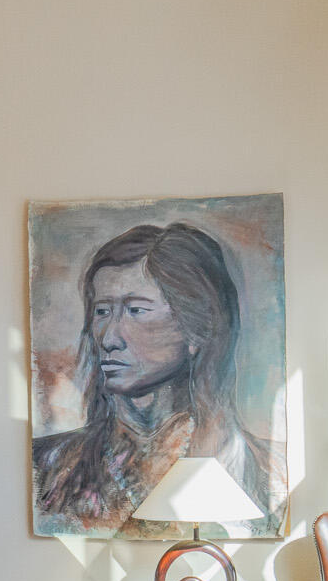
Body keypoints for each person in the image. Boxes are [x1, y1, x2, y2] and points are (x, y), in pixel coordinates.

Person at [33, 220, 280, 534]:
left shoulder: (262, 469)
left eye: (136, 310)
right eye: (102, 311)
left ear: (197, 328)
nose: (109, 339)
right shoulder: (45, 466)